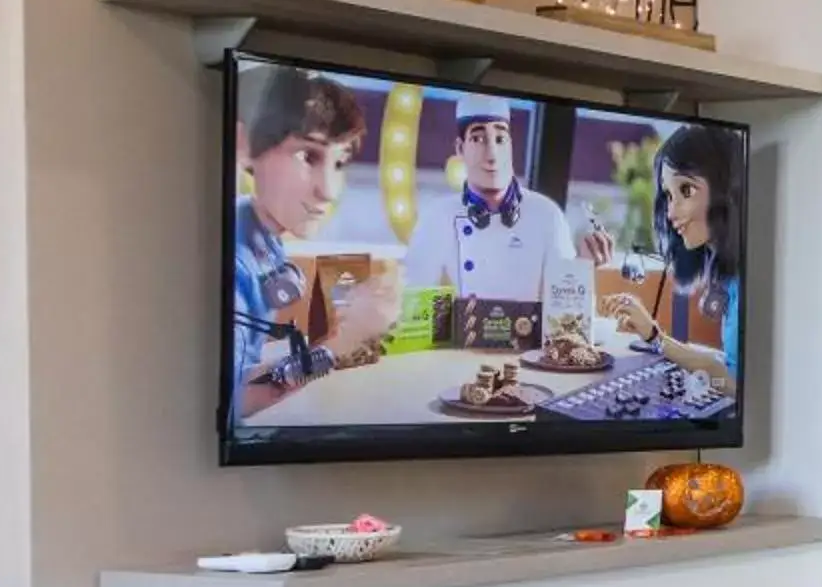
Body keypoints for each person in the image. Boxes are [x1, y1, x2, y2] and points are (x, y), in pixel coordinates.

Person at [231, 66, 401, 418]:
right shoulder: (234, 259)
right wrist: (345, 342)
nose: (328, 190)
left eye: (339, 163)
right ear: (245, 146)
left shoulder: (261, 232)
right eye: (308, 156)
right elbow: (233, 402)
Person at [402, 93, 612, 303]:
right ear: (460, 148)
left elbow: (565, 316)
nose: (492, 154)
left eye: (500, 139)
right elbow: (413, 308)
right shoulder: (436, 217)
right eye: (478, 139)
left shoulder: (547, 215)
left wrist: (584, 269)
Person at [603, 123, 742, 390]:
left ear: (727, 190)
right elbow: (730, 362)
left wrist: (657, 337)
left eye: (686, 191)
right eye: (668, 195)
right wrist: (653, 335)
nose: (671, 212)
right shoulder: (728, 271)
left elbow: (737, 384)